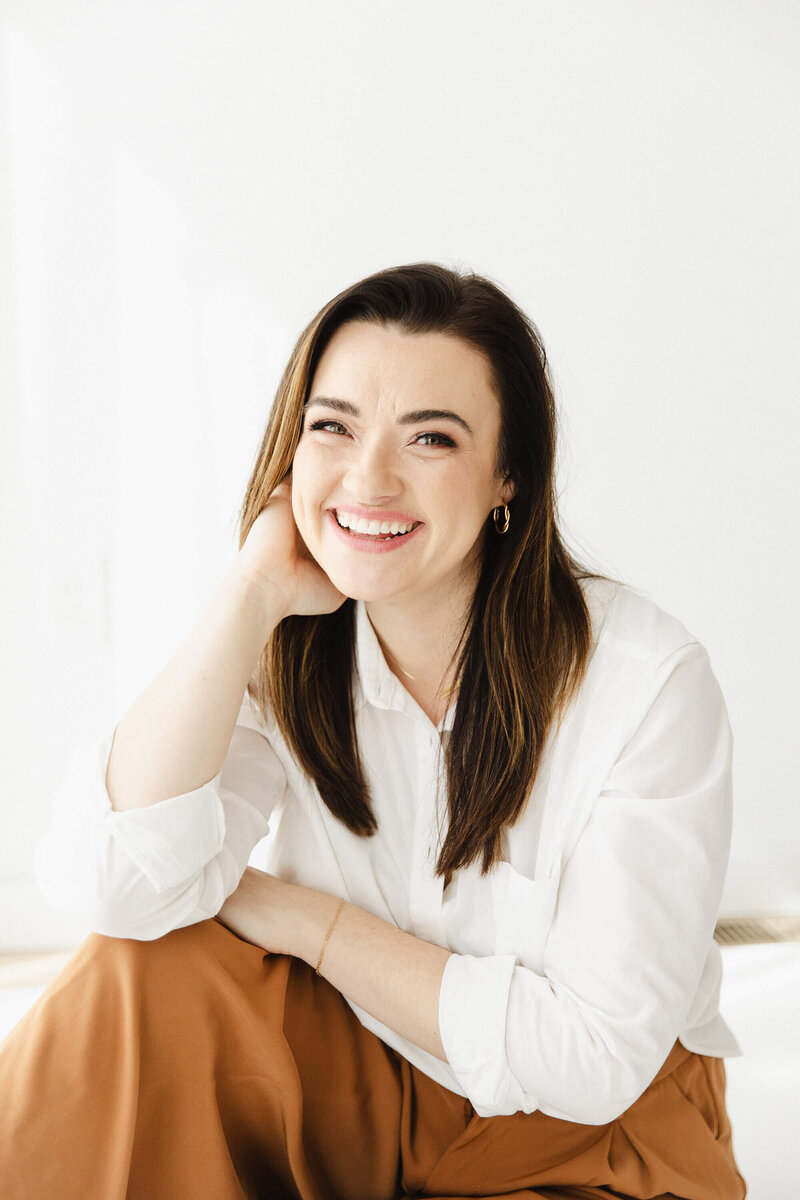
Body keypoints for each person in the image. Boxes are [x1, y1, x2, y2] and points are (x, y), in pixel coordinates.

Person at [0, 263, 747, 1199]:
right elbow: (115, 889)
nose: (369, 478)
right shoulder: (290, 641)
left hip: (595, 1130)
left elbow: (593, 1057)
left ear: (508, 474)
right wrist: (248, 596)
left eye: (430, 437)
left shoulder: (644, 682)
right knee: (137, 973)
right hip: (365, 1076)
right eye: (333, 427)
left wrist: (299, 918)